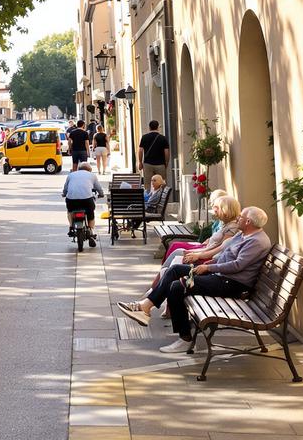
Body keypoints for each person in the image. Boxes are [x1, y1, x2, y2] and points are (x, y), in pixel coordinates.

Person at [117, 207, 272, 353]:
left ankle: (185, 339)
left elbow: (238, 265)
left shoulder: (256, 241)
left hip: (232, 284)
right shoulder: (243, 233)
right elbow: (226, 253)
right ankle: (146, 307)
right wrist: (212, 262)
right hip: (221, 275)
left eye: (241, 217)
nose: (238, 218)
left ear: (248, 222)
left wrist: (209, 268)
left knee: (178, 287)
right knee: (175, 270)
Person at [62, 161, 104, 246]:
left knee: (70, 211)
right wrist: (101, 194)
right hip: (86, 200)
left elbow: (65, 188)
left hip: (72, 200)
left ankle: (71, 226)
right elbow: (98, 188)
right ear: (89, 170)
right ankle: (91, 231)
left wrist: (64, 193)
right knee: (90, 213)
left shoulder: (71, 175)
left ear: (78, 169)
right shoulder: (92, 175)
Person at [138, 120, 170, 185]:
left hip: (147, 164)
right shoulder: (163, 138)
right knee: (161, 184)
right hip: (160, 164)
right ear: (158, 127)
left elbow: (140, 150)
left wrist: (140, 162)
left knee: (148, 185)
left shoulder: (144, 137)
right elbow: (166, 152)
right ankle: (160, 195)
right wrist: (166, 162)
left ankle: (149, 195)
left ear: (149, 128)